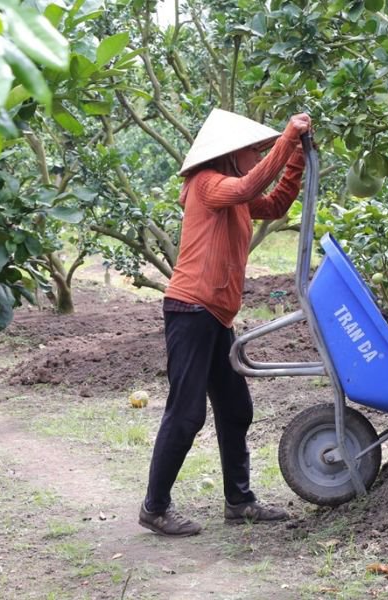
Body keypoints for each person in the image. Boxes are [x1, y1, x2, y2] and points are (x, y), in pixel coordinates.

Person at [138, 109, 312, 537]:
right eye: (252, 150)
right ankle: (154, 508)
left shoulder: (233, 194)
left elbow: (272, 203)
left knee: (236, 408)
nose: (256, 156)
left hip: (215, 314)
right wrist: (287, 138)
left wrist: (295, 161)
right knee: (187, 412)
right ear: (231, 154)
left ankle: (240, 501)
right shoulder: (208, 185)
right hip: (191, 309)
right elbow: (252, 184)